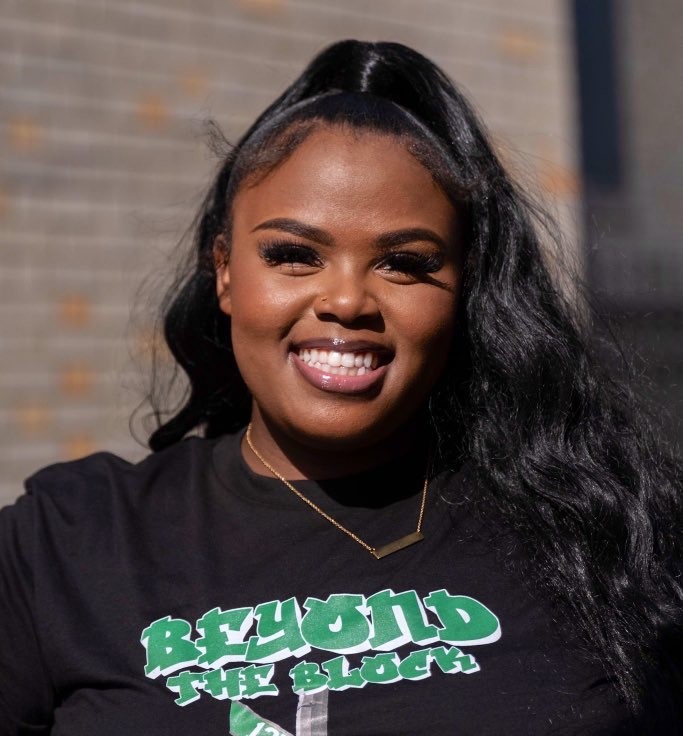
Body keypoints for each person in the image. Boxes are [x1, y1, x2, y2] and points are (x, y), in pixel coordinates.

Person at [0, 40, 680, 736]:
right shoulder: (64, 544)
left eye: (403, 263)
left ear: (465, 290)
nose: (347, 300)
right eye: (293, 255)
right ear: (226, 273)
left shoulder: (599, 539)